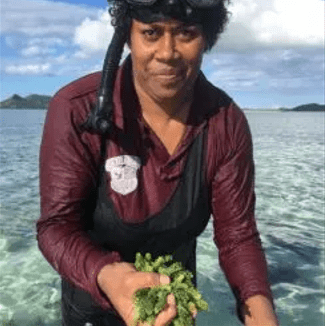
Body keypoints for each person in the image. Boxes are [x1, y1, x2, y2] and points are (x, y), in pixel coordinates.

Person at [37, 0, 279, 325]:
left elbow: (238, 236)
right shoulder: (76, 110)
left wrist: (262, 315)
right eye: (151, 33)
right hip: (93, 307)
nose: (167, 52)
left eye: (186, 33)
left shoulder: (226, 122)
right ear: (128, 36)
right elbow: (56, 228)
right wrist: (109, 276)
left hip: (177, 306)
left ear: (206, 37)